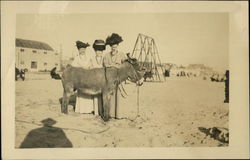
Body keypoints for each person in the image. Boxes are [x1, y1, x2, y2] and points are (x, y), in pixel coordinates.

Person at [103, 33, 127, 119]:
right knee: (111, 96)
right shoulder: (106, 56)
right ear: (110, 46)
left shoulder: (122, 54)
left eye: (115, 45)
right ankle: (111, 114)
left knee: (119, 96)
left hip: (119, 78)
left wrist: (117, 67)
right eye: (112, 45)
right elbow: (105, 66)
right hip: (110, 79)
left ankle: (118, 114)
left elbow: (125, 65)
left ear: (117, 45)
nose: (114, 47)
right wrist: (114, 66)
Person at [71, 41, 94, 114]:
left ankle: (89, 109)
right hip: (80, 78)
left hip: (88, 77)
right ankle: (81, 109)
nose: (82, 51)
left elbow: (91, 66)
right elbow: (73, 67)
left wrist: (89, 67)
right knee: (81, 92)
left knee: (88, 91)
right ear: (78, 50)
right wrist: (81, 67)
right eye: (81, 49)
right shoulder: (76, 58)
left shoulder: (89, 57)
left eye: (84, 49)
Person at [91, 39, 106, 116]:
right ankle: (96, 111)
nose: (99, 52)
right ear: (95, 51)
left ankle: (101, 111)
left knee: (102, 96)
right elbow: (90, 68)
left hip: (102, 79)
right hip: (94, 79)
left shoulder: (104, 59)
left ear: (102, 51)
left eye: (100, 51)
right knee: (95, 96)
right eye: (97, 51)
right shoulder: (92, 59)